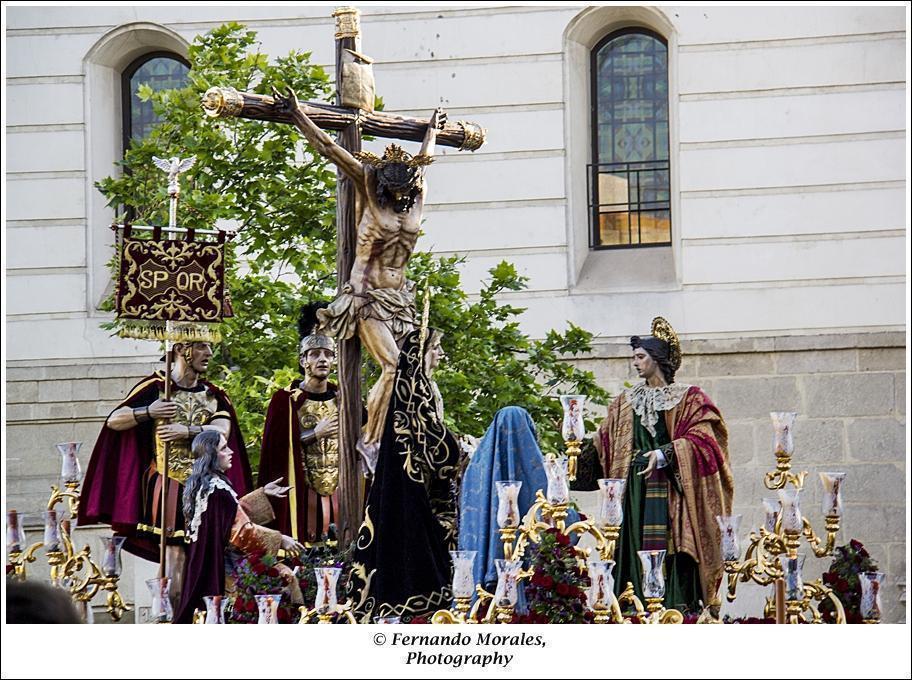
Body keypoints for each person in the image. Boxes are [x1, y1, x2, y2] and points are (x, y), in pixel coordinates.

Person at [273, 87, 447, 469]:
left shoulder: (416, 192)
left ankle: (403, 434)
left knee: (414, 372)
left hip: (402, 300)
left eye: (407, 189)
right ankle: (369, 440)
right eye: (396, 190)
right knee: (392, 366)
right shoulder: (368, 184)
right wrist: (299, 115)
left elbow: (427, 158)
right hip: (366, 297)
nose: (402, 195)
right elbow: (331, 151)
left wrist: (432, 131)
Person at [78, 334, 252, 608]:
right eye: (202, 346)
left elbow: (222, 431)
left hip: (205, 489)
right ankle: (173, 619)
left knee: (206, 556)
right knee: (175, 555)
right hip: (168, 485)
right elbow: (114, 420)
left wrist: (187, 430)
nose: (209, 353)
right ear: (182, 349)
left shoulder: (214, 395)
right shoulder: (155, 388)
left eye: (209, 346)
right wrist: (149, 411)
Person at [594, 317, 734, 613]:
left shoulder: (688, 397)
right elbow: (603, 444)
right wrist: (572, 441)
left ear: (656, 359)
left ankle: (675, 607)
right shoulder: (625, 401)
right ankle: (631, 606)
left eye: (640, 357)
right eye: (633, 357)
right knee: (631, 545)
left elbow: (706, 439)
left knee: (672, 548)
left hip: (671, 485)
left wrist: (665, 454)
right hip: (632, 489)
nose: (635, 363)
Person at [346, 327, 461, 623]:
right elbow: (443, 454)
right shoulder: (411, 402)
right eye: (435, 348)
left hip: (423, 498)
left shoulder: (420, 395)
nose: (441, 354)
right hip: (419, 505)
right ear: (420, 356)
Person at [174, 431, 303, 623]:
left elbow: (230, 516)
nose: (231, 451)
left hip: (204, 565)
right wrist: (280, 540)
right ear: (211, 454)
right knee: (284, 579)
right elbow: (240, 531)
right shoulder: (217, 489)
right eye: (224, 448)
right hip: (224, 569)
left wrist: (262, 493)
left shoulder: (205, 486)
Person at [259, 303, 340, 543]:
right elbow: (278, 452)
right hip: (302, 498)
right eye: (315, 354)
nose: (322, 359)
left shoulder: (345, 399)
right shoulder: (285, 401)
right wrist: (315, 432)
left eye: (328, 354)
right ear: (303, 360)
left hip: (340, 494)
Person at [458, 406, 550, 596]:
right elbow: (551, 520)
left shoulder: (476, 469)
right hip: (531, 575)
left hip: (481, 573)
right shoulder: (538, 470)